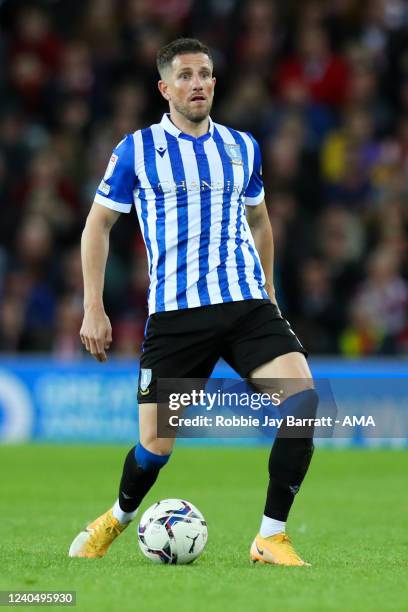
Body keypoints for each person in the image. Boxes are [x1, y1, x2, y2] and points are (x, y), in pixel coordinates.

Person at [69, 38, 317, 566]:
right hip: (177, 317)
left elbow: (259, 221)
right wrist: (93, 305)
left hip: (245, 304)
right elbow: (98, 225)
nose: (198, 83)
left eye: (205, 73)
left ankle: (270, 536)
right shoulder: (136, 151)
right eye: (184, 76)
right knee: (155, 451)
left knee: (303, 403)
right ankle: (117, 517)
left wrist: (268, 292)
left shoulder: (241, 146)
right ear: (164, 88)